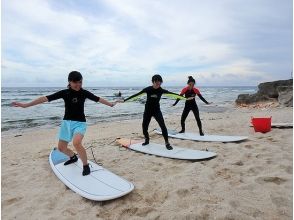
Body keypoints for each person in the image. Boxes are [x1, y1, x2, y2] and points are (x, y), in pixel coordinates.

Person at [12, 71, 116, 176]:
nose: (78, 85)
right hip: (66, 123)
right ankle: (73, 157)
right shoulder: (65, 93)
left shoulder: (84, 93)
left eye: (80, 82)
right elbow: (45, 98)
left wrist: (110, 104)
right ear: (69, 82)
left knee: (77, 143)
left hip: (80, 123)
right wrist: (26, 105)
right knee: (61, 148)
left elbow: (98, 99)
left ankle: (85, 165)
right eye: (75, 82)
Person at [123, 74, 185, 150]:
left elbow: (173, 95)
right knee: (144, 127)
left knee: (163, 126)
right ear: (153, 82)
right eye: (156, 83)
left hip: (156, 111)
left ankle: (167, 143)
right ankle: (147, 139)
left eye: (159, 83)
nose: (158, 85)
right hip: (148, 111)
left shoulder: (161, 90)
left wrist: (185, 98)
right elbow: (136, 95)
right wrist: (124, 100)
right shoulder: (148, 89)